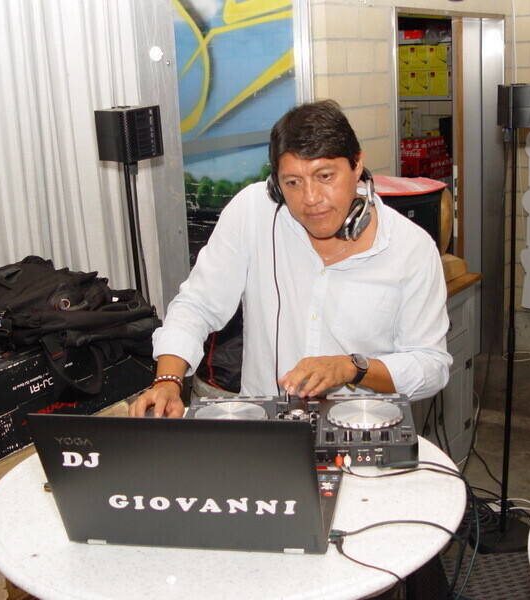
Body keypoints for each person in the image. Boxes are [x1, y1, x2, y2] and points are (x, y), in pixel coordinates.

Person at [129, 100, 451, 418]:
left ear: (357, 165)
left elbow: (431, 366)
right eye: (293, 182)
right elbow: (198, 304)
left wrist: (351, 367)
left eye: (325, 176)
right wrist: (168, 381)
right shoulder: (253, 211)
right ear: (276, 184)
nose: (310, 199)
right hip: (267, 427)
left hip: (362, 428)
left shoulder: (411, 248)